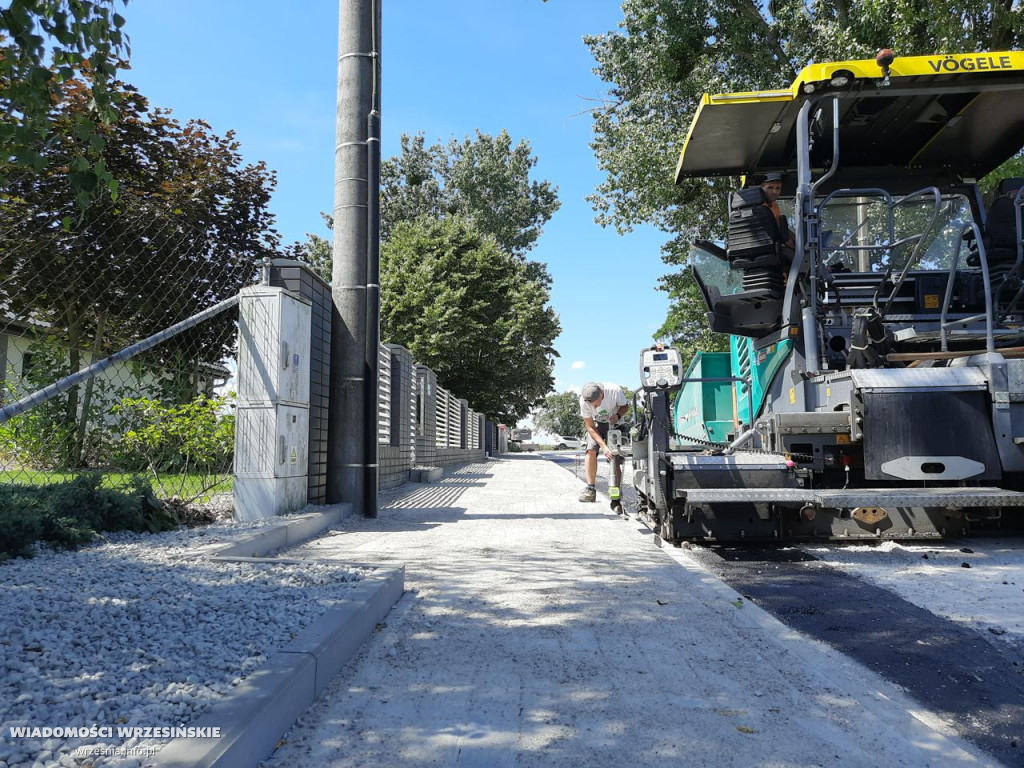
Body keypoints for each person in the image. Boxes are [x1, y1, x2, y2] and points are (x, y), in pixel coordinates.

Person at [577, 381, 629, 503]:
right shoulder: (584, 401)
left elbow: (625, 406)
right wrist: (604, 447)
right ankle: (590, 490)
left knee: (614, 456)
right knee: (590, 450)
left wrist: (618, 415)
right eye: (592, 406)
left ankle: (615, 494)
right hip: (597, 425)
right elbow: (590, 427)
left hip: (616, 424)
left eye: (596, 404)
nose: (595, 407)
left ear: (602, 393)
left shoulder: (615, 391)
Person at [760, 172, 795, 249]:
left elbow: (782, 228)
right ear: (762, 189)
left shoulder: (774, 205)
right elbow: (782, 235)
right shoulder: (759, 207)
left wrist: (799, 240)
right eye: (770, 188)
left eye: (778, 188)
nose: (775, 191)